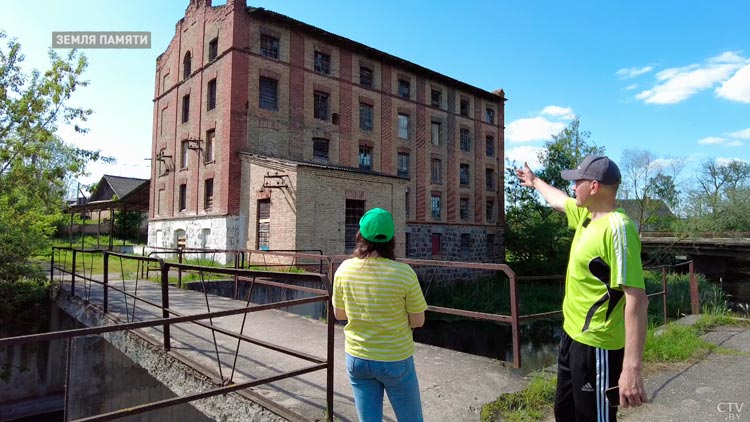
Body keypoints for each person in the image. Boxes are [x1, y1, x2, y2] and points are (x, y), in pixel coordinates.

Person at [515, 156, 649, 421]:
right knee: (564, 412)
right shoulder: (587, 215)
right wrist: (534, 181)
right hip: (572, 337)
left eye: (578, 181)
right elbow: (557, 199)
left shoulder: (618, 229)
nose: (574, 187)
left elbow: (637, 300)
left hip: (597, 346)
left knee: (593, 417)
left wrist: (631, 368)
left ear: (595, 187)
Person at [332, 207, 428, 422]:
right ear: (391, 239)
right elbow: (418, 320)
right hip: (394, 358)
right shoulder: (404, 273)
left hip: (357, 359)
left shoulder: (344, 269)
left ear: (361, 236)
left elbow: (340, 314)